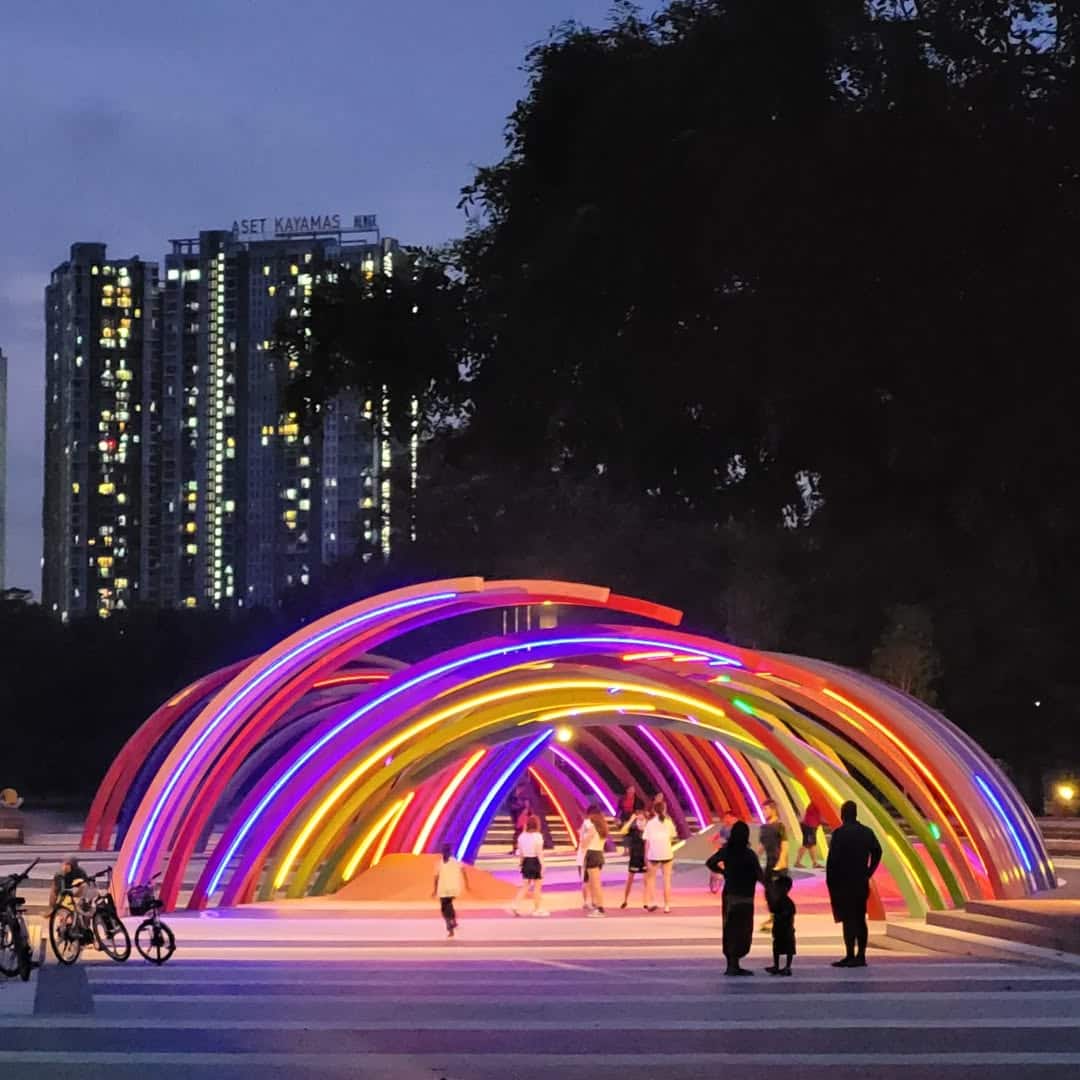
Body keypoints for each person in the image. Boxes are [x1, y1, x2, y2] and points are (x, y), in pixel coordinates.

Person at [826, 800, 883, 968]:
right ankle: (861, 955)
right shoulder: (866, 832)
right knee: (859, 918)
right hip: (859, 881)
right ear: (855, 814)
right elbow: (878, 851)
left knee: (847, 919)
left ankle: (850, 954)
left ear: (843, 815)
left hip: (843, 882)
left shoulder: (839, 834)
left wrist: (831, 882)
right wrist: (869, 871)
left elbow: (832, 861)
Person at [706, 820, 763, 975]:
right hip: (745, 897)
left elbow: (710, 862)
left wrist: (724, 872)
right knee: (743, 929)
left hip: (730, 895)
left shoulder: (727, 851)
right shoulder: (749, 855)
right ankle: (735, 962)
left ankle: (731, 963)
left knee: (730, 928)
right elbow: (759, 875)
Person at [757, 801, 788, 931]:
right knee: (768, 892)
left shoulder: (780, 826)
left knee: (777, 893)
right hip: (769, 863)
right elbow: (762, 846)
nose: (763, 812)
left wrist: (781, 862)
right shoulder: (764, 828)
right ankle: (773, 916)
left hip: (778, 864)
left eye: (766, 809)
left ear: (773, 810)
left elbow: (785, 846)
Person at [643, 798, 678, 913]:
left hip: (653, 854)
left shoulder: (650, 823)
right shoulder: (668, 822)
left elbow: (647, 841)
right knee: (667, 880)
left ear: (654, 810)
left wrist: (646, 856)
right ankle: (667, 906)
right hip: (667, 853)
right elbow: (672, 836)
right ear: (664, 810)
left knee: (651, 879)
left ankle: (652, 902)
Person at [511, 814, 549, 917]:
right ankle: (537, 909)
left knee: (525, 886)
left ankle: (515, 905)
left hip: (526, 862)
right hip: (535, 861)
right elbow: (539, 852)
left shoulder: (522, 837)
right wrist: (543, 864)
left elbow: (521, 853)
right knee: (537, 887)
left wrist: (521, 863)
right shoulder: (538, 836)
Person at [612, 808, 648, 908]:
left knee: (646, 881)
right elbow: (623, 831)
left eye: (642, 820)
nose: (640, 822)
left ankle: (646, 902)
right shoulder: (633, 829)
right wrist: (631, 820)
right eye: (638, 820)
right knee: (630, 879)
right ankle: (625, 900)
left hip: (646, 857)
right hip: (635, 856)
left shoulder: (648, 829)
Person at [433, 843, 468, 938]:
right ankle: (453, 921)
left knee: (445, 909)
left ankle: (450, 928)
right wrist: (466, 883)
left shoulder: (441, 863)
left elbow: (436, 877)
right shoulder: (454, 862)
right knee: (448, 906)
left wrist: (435, 890)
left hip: (447, 889)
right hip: (448, 889)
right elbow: (463, 870)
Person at [764, 873, 796, 975]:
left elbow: (786, 912)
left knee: (788, 948)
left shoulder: (788, 902)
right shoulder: (780, 901)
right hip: (779, 928)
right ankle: (776, 965)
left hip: (786, 929)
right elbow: (773, 909)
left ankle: (787, 967)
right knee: (777, 947)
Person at [580, 809, 609, 916]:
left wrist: (583, 835)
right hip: (599, 854)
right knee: (596, 883)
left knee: (595, 884)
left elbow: (583, 844)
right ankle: (598, 906)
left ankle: (600, 908)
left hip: (592, 855)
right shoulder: (604, 829)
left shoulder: (593, 829)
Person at [795, 800, 824, 869]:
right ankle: (797, 862)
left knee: (812, 844)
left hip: (811, 826)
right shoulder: (816, 803)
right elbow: (821, 817)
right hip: (809, 827)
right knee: (807, 844)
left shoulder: (815, 802)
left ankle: (814, 863)